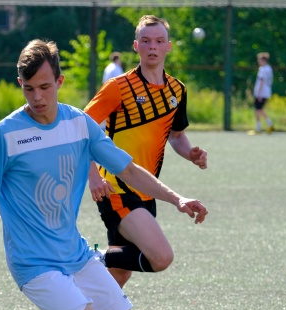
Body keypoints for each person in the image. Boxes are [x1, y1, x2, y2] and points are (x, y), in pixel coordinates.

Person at [0, 39, 208, 310]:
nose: (37, 97)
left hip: (75, 254)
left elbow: (128, 169)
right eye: (29, 89)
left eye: (45, 87)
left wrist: (176, 198)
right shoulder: (5, 134)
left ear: (59, 82)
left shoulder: (79, 123)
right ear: (20, 85)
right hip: (34, 263)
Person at [84, 15, 208, 289]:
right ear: (136, 45)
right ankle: (84, 257)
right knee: (160, 257)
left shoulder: (177, 90)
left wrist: (190, 153)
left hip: (147, 190)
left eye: (159, 41)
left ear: (168, 46)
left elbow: (176, 136)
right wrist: (93, 175)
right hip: (115, 188)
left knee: (119, 273)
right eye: (146, 41)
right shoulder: (118, 87)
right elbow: (80, 129)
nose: (153, 46)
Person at [249, 51, 274, 135]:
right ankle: (268, 124)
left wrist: (259, 94)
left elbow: (262, 81)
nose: (258, 61)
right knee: (259, 109)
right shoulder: (269, 68)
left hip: (262, 93)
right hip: (266, 92)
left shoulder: (263, 69)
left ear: (263, 60)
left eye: (259, 60)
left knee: (257, 109)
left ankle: (259, 127)